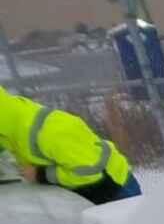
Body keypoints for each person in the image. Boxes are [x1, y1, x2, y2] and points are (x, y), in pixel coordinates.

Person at [0, 85, 142, 204]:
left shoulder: (48, 131)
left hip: (115, 191)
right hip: (82, 195)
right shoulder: (8, 120)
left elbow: (89, 172)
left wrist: (40, 174)